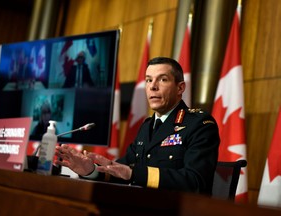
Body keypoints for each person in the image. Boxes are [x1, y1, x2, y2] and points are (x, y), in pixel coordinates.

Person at [56, 57, 220, 195]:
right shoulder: (147, 126)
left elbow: (196, 182)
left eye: (162, 79)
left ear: (180, 88)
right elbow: (120, 171)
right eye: (148, 80)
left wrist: (134, 173)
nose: (152, 86)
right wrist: (90, 170)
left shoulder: (199, 124)